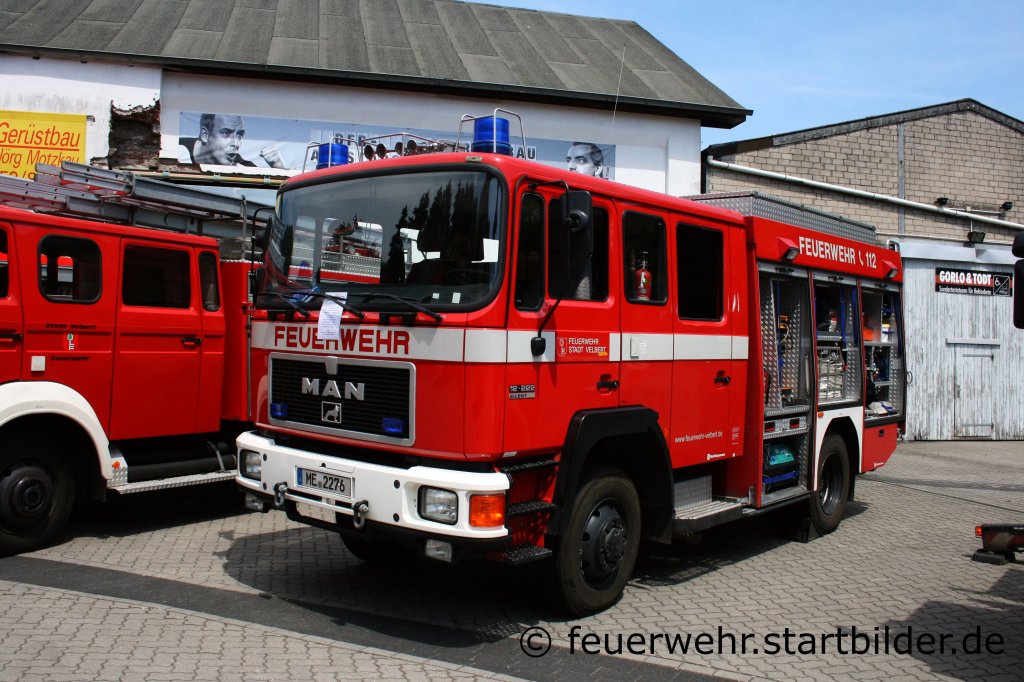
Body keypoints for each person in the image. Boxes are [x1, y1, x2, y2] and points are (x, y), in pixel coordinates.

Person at [180, 113, 285, 168]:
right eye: (226, 133)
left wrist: (277, 165)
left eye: (239, 135)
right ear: (205, 135)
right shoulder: (177, 150)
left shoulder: (242, 166)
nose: (236, 143)